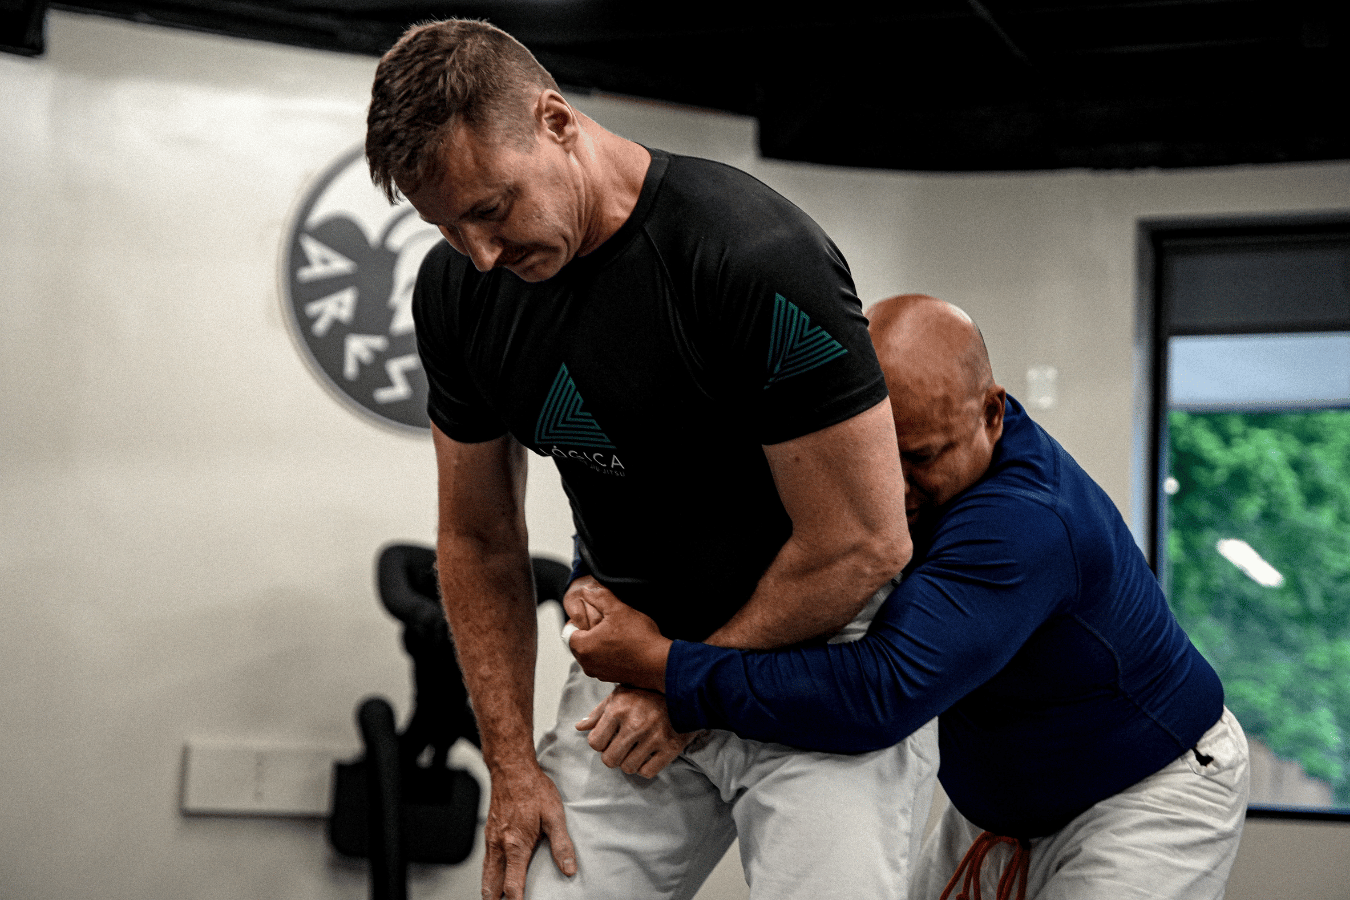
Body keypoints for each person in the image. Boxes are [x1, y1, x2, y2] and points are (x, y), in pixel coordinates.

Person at [364, 20, 938, 900]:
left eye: (491, 209)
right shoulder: (460, 293)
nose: (480, 253)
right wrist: (512, 768)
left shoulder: (749, 252)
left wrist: (686, 684)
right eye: (446, 227)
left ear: (557, 122)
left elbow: (865, 544)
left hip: (816, 661)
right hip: (631, 670)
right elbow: (478, 539)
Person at [570, 294, 1251, 899]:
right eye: (876, 452)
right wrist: (589, 573)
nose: (890, 489)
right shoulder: (852, 452)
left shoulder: (1025, 523)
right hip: (997, 813)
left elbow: (881, 691)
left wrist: (665, 669)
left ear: (992, 413)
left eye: (921, 458)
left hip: (1147, 794)